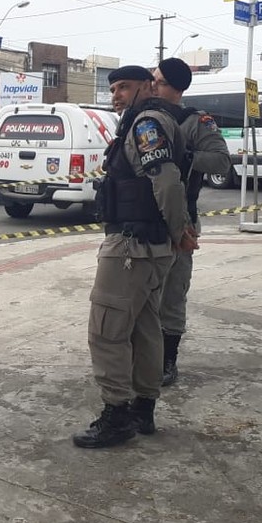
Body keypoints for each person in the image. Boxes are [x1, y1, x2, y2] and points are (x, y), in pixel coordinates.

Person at [72, 65, 197, 448]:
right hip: (146, 246)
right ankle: (143, 408)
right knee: (145, 329)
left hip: (132, 245)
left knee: (106, 330)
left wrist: (179, 230)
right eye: (113, 89)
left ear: (146, 86)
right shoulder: (150, 120)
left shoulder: (146, 123)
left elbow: (167, 182)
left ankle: (116, 414)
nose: (116, 95)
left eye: (124, 87)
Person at [151, 58, 231, 387]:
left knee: (172, 294)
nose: (153, 87)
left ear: (176, 88)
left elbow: (221, 162)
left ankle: (167, 360)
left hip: (181, 219)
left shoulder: (195, 122)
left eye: (159, 82)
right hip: (143, 221)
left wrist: (184, 157)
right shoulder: (143, 119)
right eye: (152, 80)